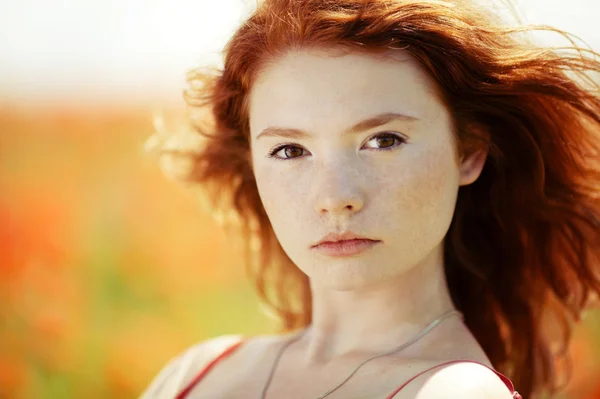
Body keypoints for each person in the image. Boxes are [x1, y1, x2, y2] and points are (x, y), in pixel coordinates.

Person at [140, 0, 600, 398]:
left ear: (469, 151)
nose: (335, 197)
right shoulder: (198, 370)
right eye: (290, 150)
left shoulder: (453, 391)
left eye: (383, 140)